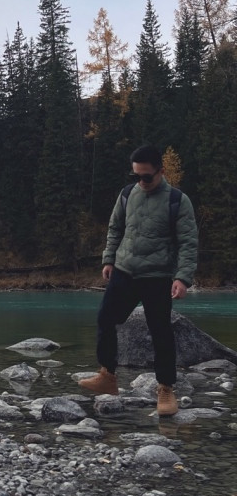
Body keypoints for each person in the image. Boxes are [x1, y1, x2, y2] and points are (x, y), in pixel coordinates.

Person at [79, 144, 198, 415]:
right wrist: (109, 259)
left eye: (146, 176)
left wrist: (182, 278)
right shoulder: (126, 194)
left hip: (157, 276)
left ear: (161, 171)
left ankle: (165, 389)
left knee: (161, 332)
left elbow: (188, 243)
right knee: (106, 319)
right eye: (136, 176)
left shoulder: (177, 201)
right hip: (124, 271)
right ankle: (108, 376)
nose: (141, 181)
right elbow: (115, 228)